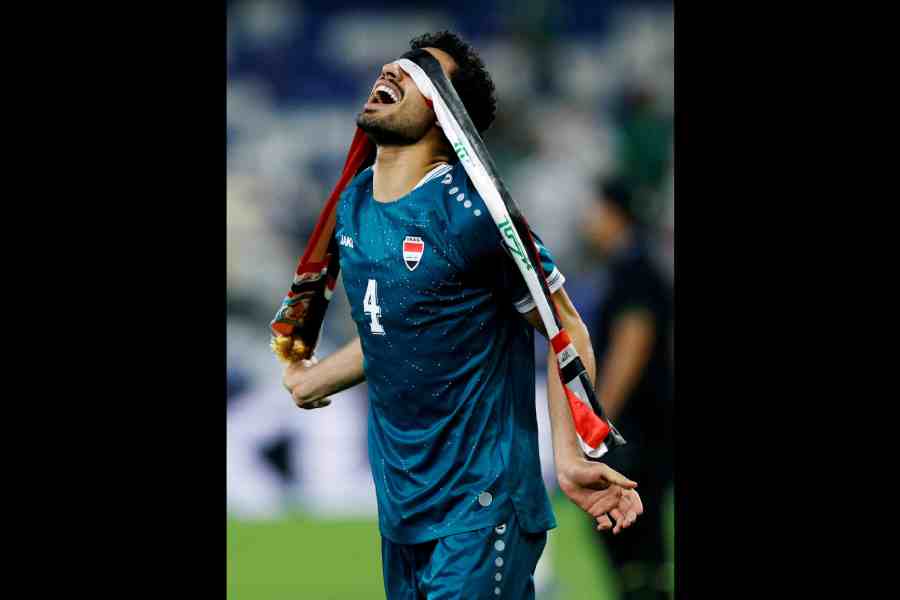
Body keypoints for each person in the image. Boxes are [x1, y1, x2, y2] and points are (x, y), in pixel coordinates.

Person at [282, 31, 643, 600]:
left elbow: (564, 326)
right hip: (403, 508)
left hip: (483, 502)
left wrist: (569, 454)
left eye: (424, 71)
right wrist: (313, 379)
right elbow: (401, 327)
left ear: (449, 118)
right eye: (399, 61)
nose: (395, 70)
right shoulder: (353, 205)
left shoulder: (473, 215)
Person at [581, 176, 674, 600]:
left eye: (594, 211)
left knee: (625, 531)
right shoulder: (635, 265)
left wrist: (600, 422)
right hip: (644, 425)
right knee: (638, 539)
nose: (588, 221)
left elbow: (632, 343)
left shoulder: (633, 268)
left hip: (635, 429)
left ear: (612, 214)